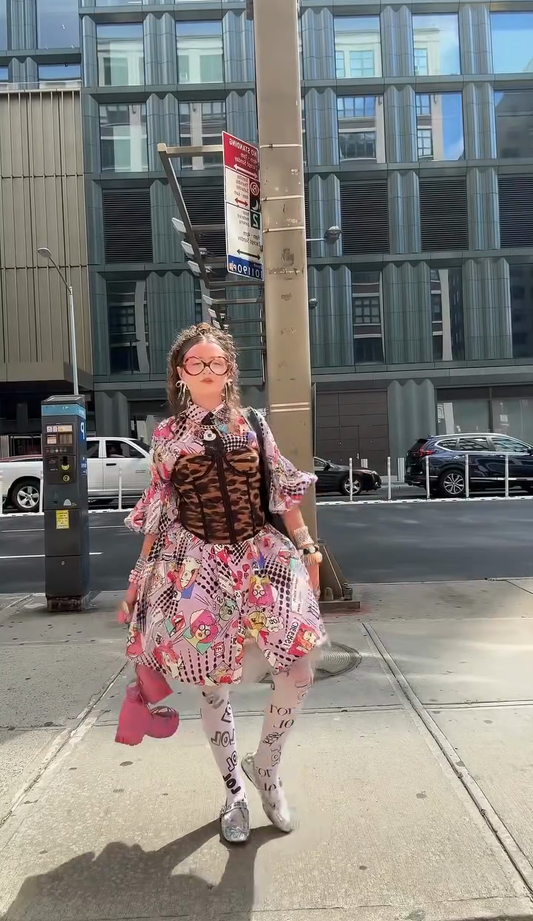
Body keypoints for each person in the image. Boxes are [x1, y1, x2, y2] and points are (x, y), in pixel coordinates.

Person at [116, 322, 327, 844]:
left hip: (260, 556)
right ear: (181, 374)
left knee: (300, 664)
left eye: (216, 363)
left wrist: (307, 548)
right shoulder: (167, 436)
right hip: (196, 566)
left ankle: (267, 767)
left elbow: (282, 491)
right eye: (196, 364)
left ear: (229, 369)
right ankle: (234, 791)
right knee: (214, 685)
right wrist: (138, 578)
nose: (207, 371)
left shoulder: (254, 422)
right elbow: (161, 510)